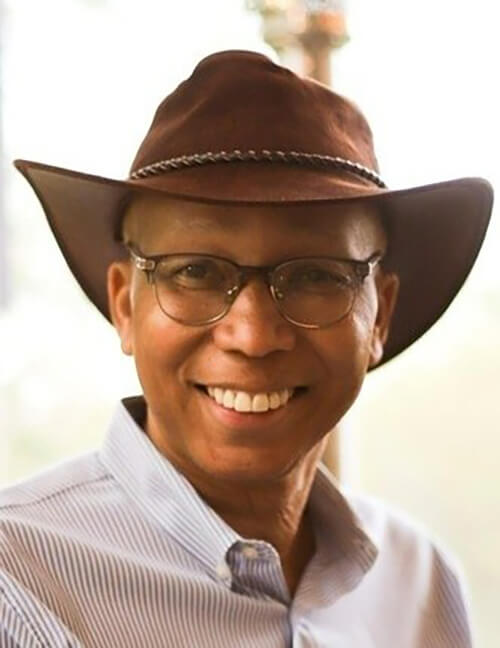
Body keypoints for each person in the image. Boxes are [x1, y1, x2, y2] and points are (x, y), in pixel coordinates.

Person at [0, 50, 493, 648]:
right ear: (125, 305)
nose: (254, 336)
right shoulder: (18, 584)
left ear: (380, 315)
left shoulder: (419, 584)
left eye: (316, 276)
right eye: (195, 272)